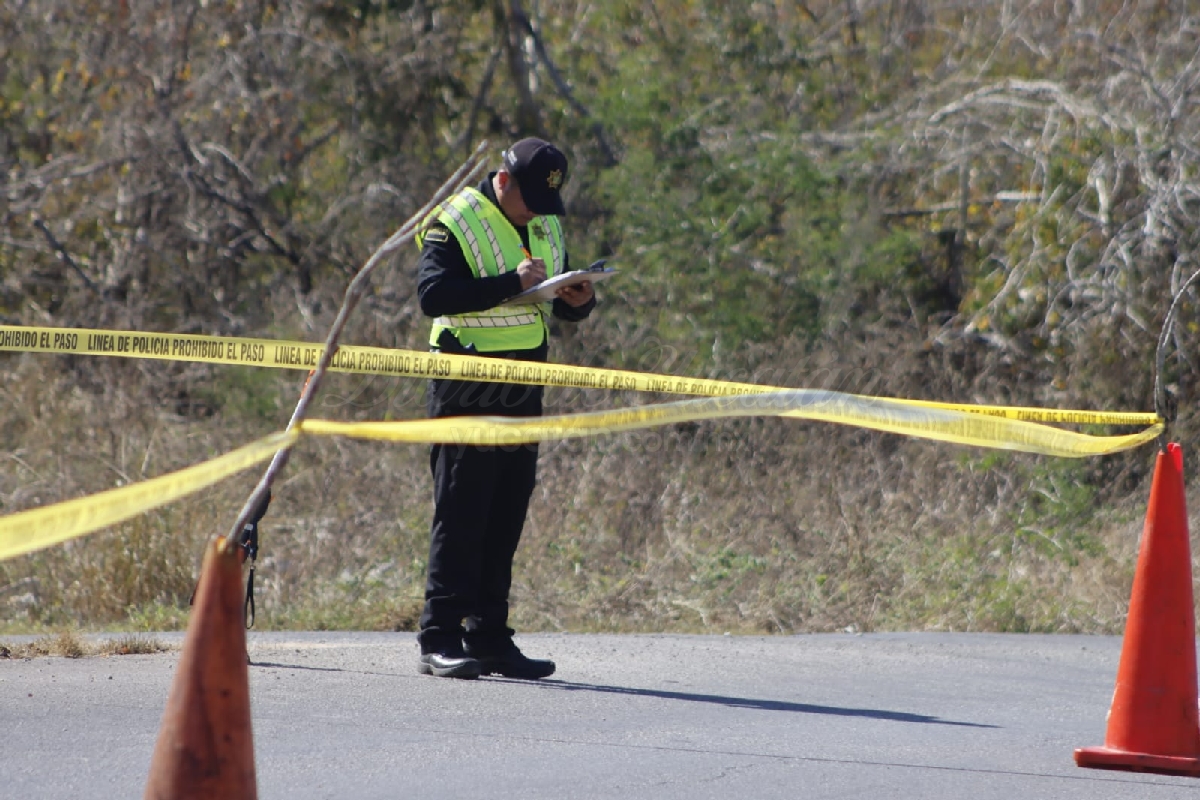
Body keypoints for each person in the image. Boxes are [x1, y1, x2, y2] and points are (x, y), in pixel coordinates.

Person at [414, 137, 596, 679]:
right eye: (530, 201)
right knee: (462, 507)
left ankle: (489, 637)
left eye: (548, 204)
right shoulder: (457, 218)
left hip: (524, 383)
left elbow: (549, 305)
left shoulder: (544, 220)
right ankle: (439, 636)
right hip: (466, 379)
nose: (538, 214)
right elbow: (433, 294)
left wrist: (579, 303)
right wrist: (506, 284)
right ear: (504, 180)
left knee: (506, 509)